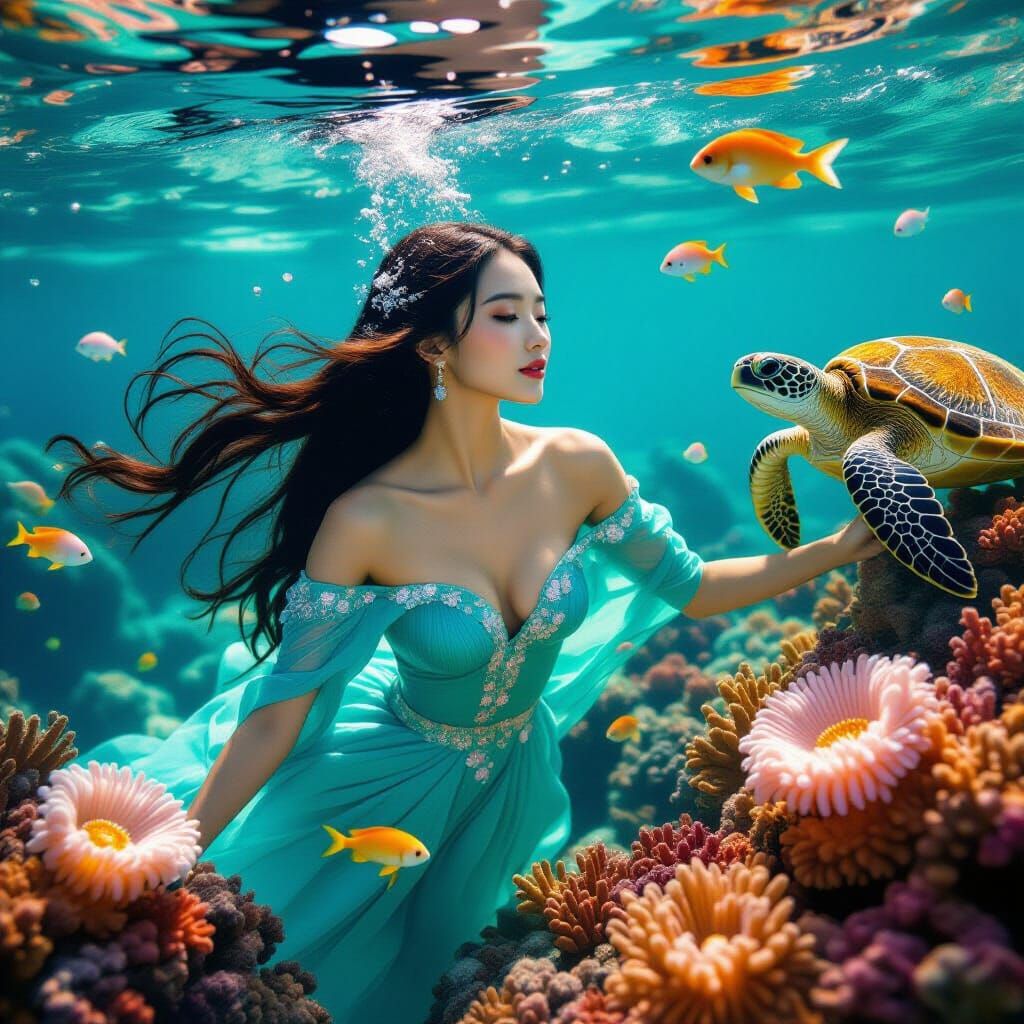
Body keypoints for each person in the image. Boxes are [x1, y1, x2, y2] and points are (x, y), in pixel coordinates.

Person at [52, 221, 883, 1022]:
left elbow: (693, 587)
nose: (537, 336)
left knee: (443, 981)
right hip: (375, 786)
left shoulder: (578, 464)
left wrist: (839, 549)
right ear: (433, 346)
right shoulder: (366, 519)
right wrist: (175, 855)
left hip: (514, 780)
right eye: (505, 315)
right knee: (292, 968)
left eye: (541, 313)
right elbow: (276, 718)